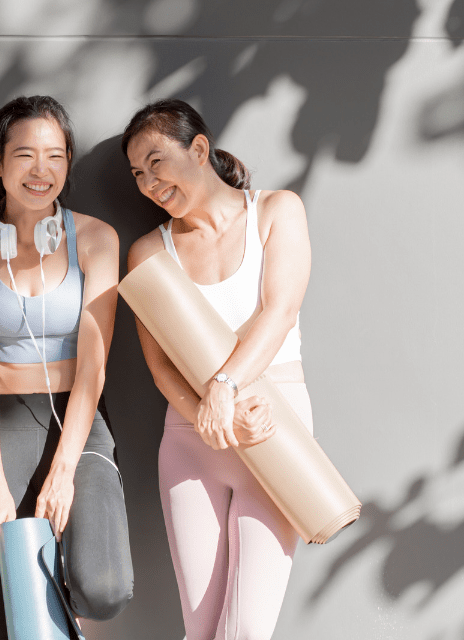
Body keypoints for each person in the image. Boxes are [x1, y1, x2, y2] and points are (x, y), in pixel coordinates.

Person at [0, 95, 133, 639]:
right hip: (1, 429)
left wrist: (65, 470)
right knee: (17, 622)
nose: (41, 170)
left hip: (80, 422)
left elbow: (95, 362)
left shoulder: (96, 239)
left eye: (55, 155)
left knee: (103, 586)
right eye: (25, 155)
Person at [122, 99, 312, 640]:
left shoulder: (278, 210)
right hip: (190, 437)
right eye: (138, 173)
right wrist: (213, 410)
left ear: (199, 149)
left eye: (156, 162)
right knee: (200, 629)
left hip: (275, 428)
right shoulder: (148, 253)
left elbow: (280, 310)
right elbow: (160, 367)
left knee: (247, 630)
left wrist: (226, 388)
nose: (148, 182)